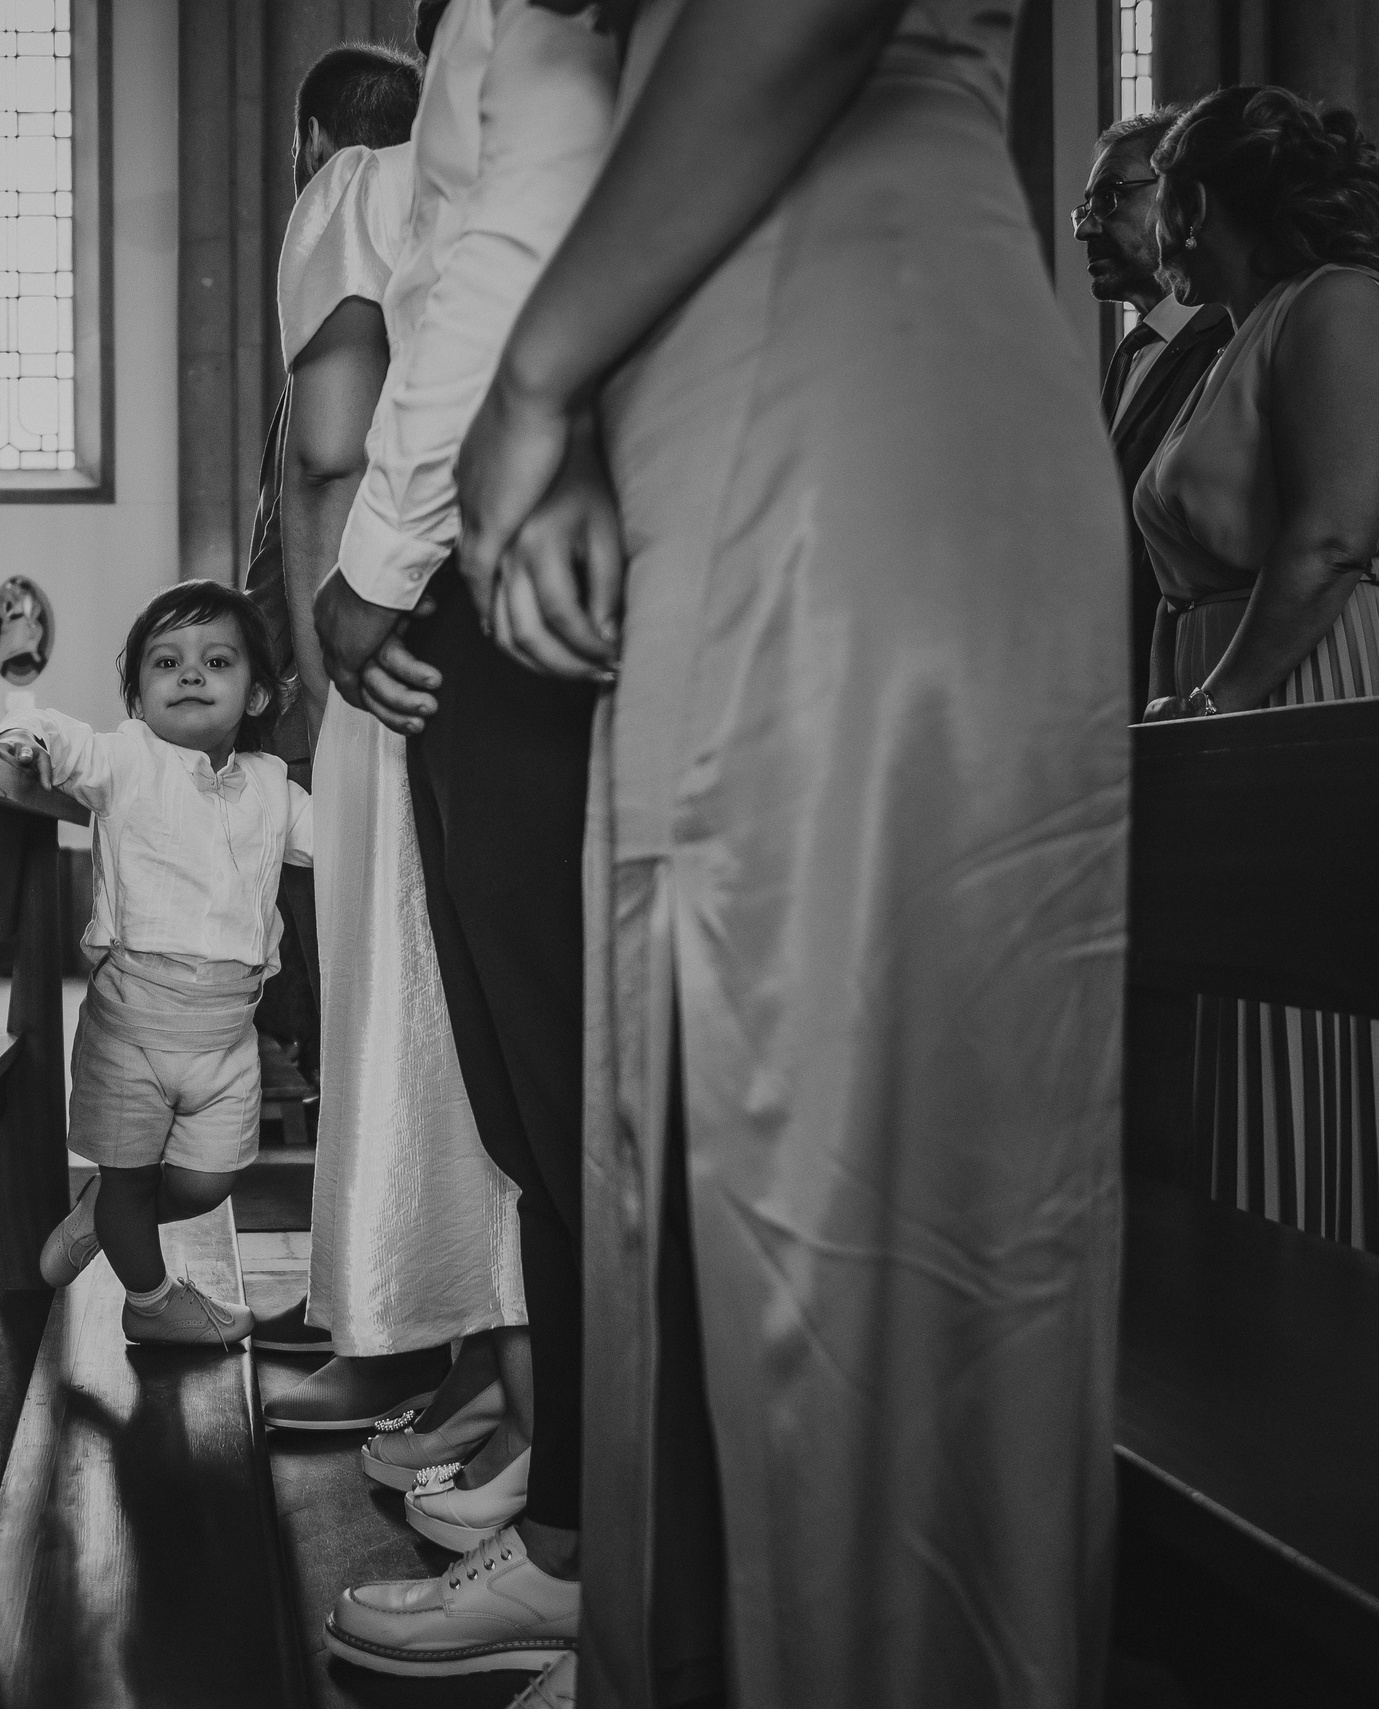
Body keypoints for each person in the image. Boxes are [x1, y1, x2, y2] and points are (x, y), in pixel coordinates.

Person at [451, 0, 1130, 1702]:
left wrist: (541, 371)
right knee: (706, 1160)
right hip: (765, 391)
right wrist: (600, 414)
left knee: (842, 1202)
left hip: (845, 413)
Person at [308, 0, 627, 1683]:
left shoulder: (522, 24)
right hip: (542, 512)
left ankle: (589, 1545)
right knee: (549, 1088)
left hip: (504, 543)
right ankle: (580, 1514)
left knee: (561, 1082)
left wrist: (371, 563)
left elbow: (491, 261)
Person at [1135, 86, 1379, 1280]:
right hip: (1253, 677)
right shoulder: (1245, 327)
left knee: (1323, 1029)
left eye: (1155, 191)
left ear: (1197, 199)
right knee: (1244, 1043)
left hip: (1324, 688)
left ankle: (1353, 1309)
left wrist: (1217, 709)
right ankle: (1261, 1311)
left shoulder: (1338, 306)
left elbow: (1329, 537)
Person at [0, 582, 314, 1346]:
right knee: (134, 1175)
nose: (191, 674)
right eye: (166, 661)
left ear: (258, 691)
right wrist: (29, 737)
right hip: (133, 1022)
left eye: (217, 660)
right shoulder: (128, 759)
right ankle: (151, 1301)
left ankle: (101, 1211)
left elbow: (335, 841)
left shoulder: (273, 786)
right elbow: (64, 739)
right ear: (137, 696)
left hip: (227, 1034)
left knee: (209, 1182)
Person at [240, 39, 426, 1206]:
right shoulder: (458, 219)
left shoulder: (348, 202)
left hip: (348, 670)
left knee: (363, 971)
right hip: (410, 647)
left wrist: (313, 679)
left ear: (312, 142)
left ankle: (384, 1270)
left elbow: (321, 471)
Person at [1079, 104, 1232, 718]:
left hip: (1201, 679)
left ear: (1182, 198)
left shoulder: (1232, 337)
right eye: (1085, 207)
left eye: (1111, 197)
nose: (1085, 229)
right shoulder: (1133, 353)